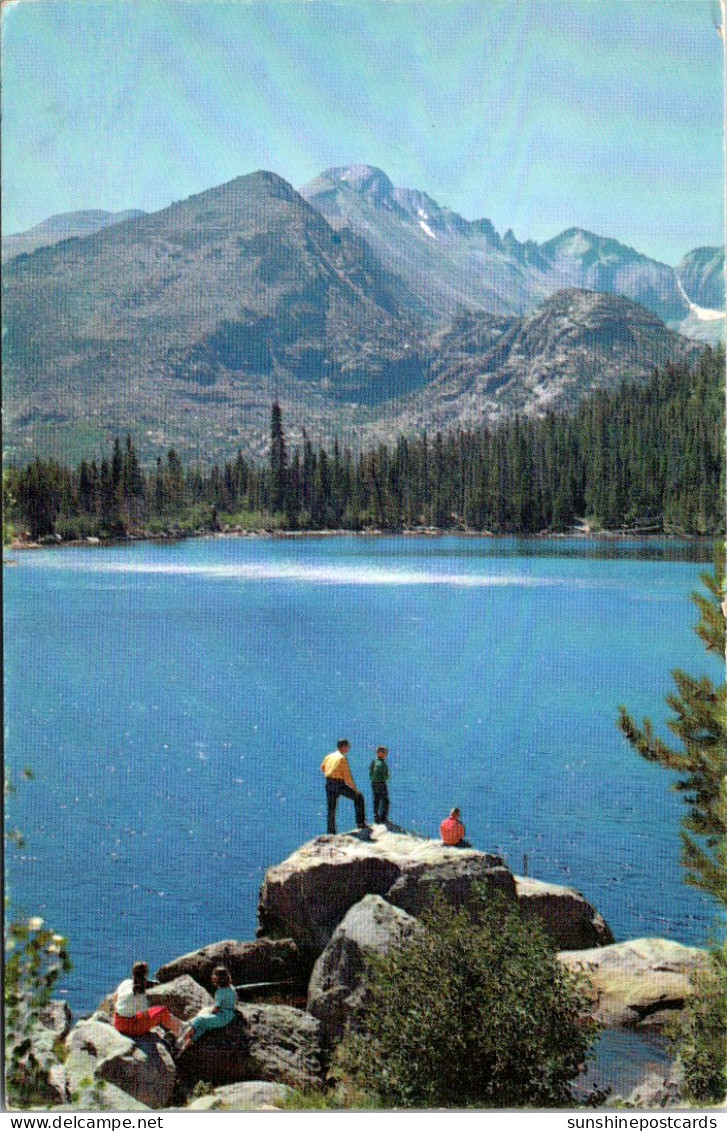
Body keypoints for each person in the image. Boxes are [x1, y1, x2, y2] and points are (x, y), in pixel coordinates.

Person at [113, 961, 184, 1039]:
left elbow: (115, 998)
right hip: (130, 1028)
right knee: (162, 1011)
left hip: (117, 1022)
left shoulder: (125, 983)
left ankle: (177, 1027)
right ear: (145, 974)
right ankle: (180, 1035)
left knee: (151, 1011)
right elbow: (145, 1015)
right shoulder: (139, 992)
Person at [177, 966, 238, 1051]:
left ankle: (181, 1039)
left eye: (214, 975)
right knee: (203, 1027)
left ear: (219, 978)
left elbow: (216, 1009)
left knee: (200, 1019)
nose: (212, 977)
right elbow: (236, 999)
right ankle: (183, 1049)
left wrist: (207, 1013)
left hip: (222, 1018)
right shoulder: (231, 988)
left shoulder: (220, 992)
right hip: (229, 1015)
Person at [321, 739, 367, 833]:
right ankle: (360, 823)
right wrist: (354, 788)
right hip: (339, 784)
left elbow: (323, 768)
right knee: (359, 797)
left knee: (331, 808)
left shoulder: (329, 756)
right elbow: (347, 776)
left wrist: (330, 774)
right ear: (343, 747)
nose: (349, 748)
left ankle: (331, 831)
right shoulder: (342, 758)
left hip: (329, 783)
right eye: (348, 747)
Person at [369, 745, 390, 824]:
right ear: (380, 753)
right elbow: (384, 773)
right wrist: (385, 777)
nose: (386, 754)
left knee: (376, 800)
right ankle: (383, 818)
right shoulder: (382, 763)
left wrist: (373, 778)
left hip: (374, 783)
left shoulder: (374, 761)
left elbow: (370, 771)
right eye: (384, 752)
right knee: (385, 801)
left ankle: (376, 818)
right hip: (381, 783)